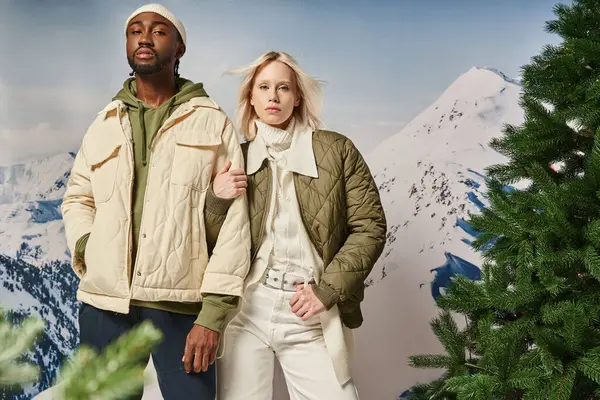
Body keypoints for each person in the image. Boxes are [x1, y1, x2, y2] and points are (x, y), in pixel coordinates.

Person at [60, 4, 250, 399]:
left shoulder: (212, 121)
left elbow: (235, 224)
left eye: (158, 31)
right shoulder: (104, 122)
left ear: (179, 48)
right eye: (135, 31)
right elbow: (78, 197)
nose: (144, 37)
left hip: (181, 306)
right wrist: (87, 246)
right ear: (127, 45)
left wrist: (213, 317)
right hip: (105, 304)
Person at [204, 51, 387, 399]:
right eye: (264, 87)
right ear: (251, 98)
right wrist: (216, 199)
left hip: (309, 307)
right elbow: (209, 243)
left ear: (297, 96)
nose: (274, 96)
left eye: (283, 87)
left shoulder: (337, 150)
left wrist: (327, 290)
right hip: (247, 309)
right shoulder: (235, 159)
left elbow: (370, 226)